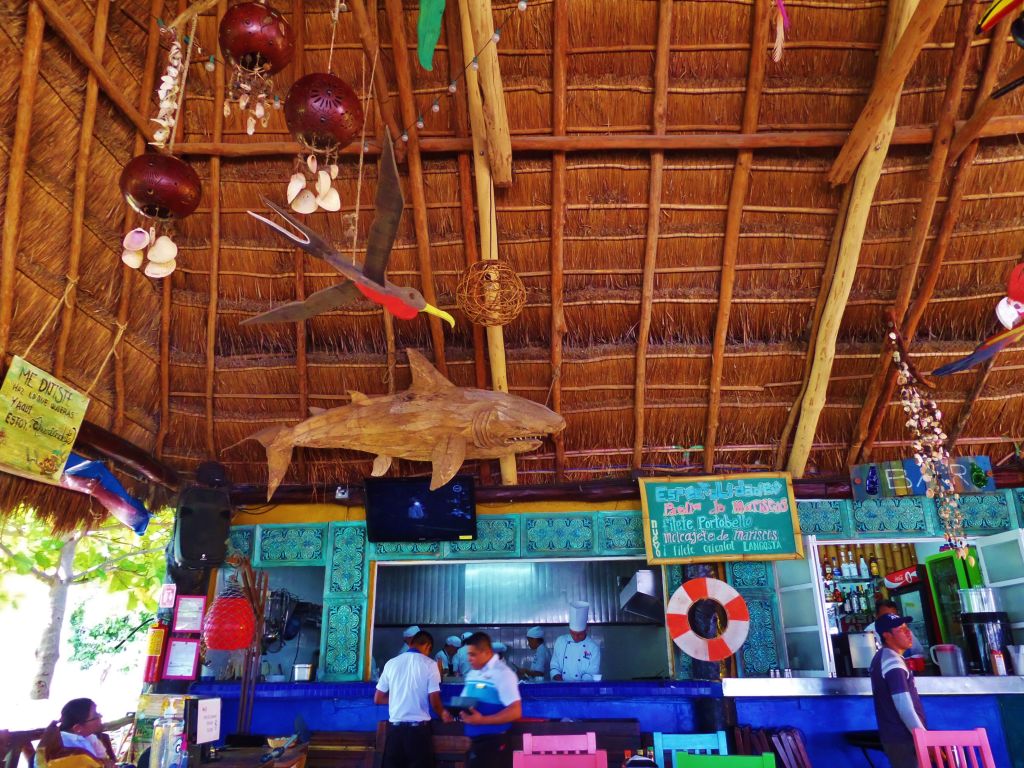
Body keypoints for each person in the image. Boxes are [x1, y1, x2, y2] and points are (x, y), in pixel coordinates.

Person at [374, 630, 452, 768]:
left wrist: (398, 699)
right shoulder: (430, 665)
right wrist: (444, 714)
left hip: (395, 733)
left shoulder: (391, 663)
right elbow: (434, 701)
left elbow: (378, 699)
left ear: (411, 644)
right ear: (427, 646)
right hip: (419, 733)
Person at [869, 613, 928, 768]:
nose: (908, 633)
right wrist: (923, 738)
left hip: (900, 737)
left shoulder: (884, 657)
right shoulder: (892, 662)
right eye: (901, 630)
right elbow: (904, 706)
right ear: (887, 636)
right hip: (903, 739)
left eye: (907, 628)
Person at [459, 632, 522, 768]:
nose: (469, 658)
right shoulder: (472, 673)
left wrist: (483, 720)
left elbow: (515, 711)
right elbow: (465, 702)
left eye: (473, 654)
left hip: (494, 743)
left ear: (486, 652)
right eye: (468, 654)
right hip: (474, 743)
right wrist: (453, 711)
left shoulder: (503, 674)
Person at [55, 699, 114, 768]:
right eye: (95, 716)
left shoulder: (89, 737)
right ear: (78, 728)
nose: (100, 716)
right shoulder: (69, 747)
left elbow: (104, 759)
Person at [550, 601, 601, 681]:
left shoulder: (593, 647)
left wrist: (578, 687)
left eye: (579, 634)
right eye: (573, 634)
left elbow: (591, 672)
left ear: (586, 629)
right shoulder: (560, 641)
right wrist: (557, 676)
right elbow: (554, 666)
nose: (576, 637)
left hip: (582, 690)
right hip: (561, 688)